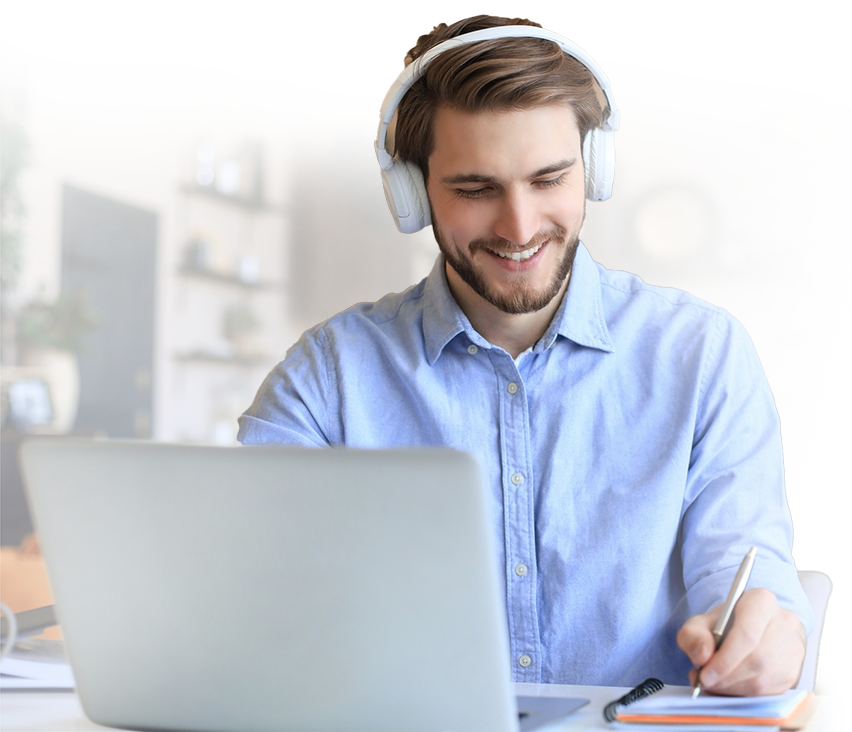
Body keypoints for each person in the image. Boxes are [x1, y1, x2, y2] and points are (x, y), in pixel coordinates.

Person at [236, 15, 812, 693]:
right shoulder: (327, 375)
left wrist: (766, 638)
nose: (519, 227)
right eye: (475, 189)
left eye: (549, 179)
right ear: (413, 193)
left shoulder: (702, 353)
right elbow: (244, 582)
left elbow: (746, 573)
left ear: (592, 171)